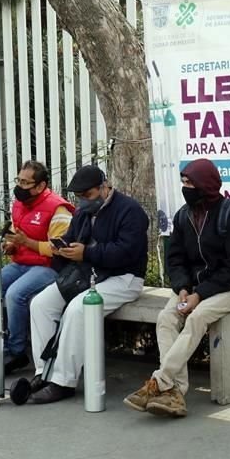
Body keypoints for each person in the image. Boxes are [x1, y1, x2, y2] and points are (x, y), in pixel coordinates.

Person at [123, 158, 230, 418]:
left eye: (190, 183)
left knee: (197, 318)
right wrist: (182, 287)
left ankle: (159, 382)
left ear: (206, 184)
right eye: (183, 182)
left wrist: (199, 295)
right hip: (192, 289)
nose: (186, 188)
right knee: (166, 318)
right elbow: (175, 258)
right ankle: (174, 392)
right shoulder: (184, 215)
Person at [23, 164, 150, 404]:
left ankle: (63, 382)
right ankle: (44, 372)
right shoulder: (82, 212)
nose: (83, 201)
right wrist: (62, 249)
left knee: (78, 309)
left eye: (88, 195)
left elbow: (127, 252)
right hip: (86, 274)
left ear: (104, 186)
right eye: (79, 196)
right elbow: (72, 238)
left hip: (124, 278)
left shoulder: (130, 210)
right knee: (40, 304)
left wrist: (87, 253)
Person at [0, 161, 74, 373]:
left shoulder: (58, 209)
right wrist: (12, 246)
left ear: (41, 186)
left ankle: (16, 352)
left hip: (49, 267)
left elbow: (60, 248)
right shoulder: (19, 204)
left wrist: (27, 242)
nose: (19, 186)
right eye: (18, 180)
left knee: (15, 294)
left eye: (25, 182)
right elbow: (18, 235)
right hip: (21, 263)